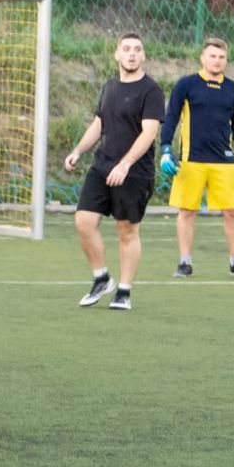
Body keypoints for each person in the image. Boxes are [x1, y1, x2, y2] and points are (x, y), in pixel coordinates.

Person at [63, 32, 164, 311]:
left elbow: (149, 133)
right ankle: (102, 278)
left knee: (126, 231)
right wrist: (78, 150)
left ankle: (124, 291)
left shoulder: (151, 91)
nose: (132, 54)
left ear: (143, 56)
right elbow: (99, 124)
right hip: (102, 165)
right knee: (84, 221)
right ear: (116, 54)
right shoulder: (109, 86)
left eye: (137, 49)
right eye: (126, 49)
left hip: (134, 172)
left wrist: (125, 164)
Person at [159, 37, 234, 278]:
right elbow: (171, 118)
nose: (217, 61)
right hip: (191, 160)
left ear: (226, 60)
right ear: (202, 58)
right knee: (186, 211)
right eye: (212, 56)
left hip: (224, 161)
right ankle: (185, 262)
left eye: (221, 57)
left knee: (232, 211)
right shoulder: (186, 85)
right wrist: (165, 148)